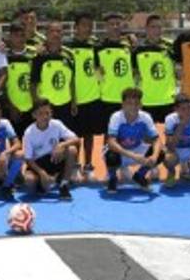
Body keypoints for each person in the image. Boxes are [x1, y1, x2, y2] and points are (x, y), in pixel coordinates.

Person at [104, 87, 162, 193]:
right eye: (129, 103)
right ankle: (112, 179)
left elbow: (157, 140)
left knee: (161, 152)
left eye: (136, 103)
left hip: (137, 148)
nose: (133, 107)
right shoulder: (116, 117)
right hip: (121, 151)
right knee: (110, 155)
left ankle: (139, 176)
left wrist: (154, 157)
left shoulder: (146, 117)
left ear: (141, 105)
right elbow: (111, 142)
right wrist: (133, 156)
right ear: (123, 105)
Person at [21, 98, 78, 200]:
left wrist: (62, 145)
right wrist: (41, 173)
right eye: (41, 113)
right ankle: (44, 183)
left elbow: (76, 139)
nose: (45, 116)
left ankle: (63, 184)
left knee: (72, 149)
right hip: (38, 163)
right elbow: (28, 159)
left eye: (48, 113)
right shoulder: (29, 132)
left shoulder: (57, 124)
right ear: (34, 115)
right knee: (29, 181)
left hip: (54, 158)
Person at [67, 13, 102, 177]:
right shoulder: (67, 48)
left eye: (90, 25)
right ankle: (74, 165)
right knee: (74, 135)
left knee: (89, 134)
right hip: (74, 99)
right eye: (84, 25)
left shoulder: (94, 47)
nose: (87, 29)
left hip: (92, 97)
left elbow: (97, 71)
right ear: (76, 27)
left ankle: (88, 164)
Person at [95, 12, 135, 152]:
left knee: (126, 133)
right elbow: (96, 71)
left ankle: (125, 164)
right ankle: (108, 166)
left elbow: (135, 68)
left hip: (127, 98)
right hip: (107, 97)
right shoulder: (99, 47)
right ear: (106, 26)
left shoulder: (129, 45)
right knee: (109, 134)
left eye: (118, 24)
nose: (115, 27)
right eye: (112, 24)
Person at [30, 23, 76, 141]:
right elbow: (33, 83)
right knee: (46, 140)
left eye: (59, 31)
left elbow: (71, 81)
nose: (55, 34)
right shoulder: (39, 56)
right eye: (52, 31)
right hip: (46, 107)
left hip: (65, 105)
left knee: (67, 140)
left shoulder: (69, 55)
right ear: (46, 34)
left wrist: (74, 102)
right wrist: (37, 106)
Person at [133, 14, 177, 124]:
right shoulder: (138, 50)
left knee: (171, 137)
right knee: (148, 138)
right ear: (146, 29)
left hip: (168, 100)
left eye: (159, 27)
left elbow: (180, 67)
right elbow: (134, 74)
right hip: (146, 100)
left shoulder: (170, 46)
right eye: (153, 27)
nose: (157, 30)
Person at [2, 23, 36, 140]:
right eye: (16, 35)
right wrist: (11, 106)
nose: (20, 39)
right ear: (10, 37)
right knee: (15, 146)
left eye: (22, 35)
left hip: (32, 107)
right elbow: (2, 85)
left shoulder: (35, 54)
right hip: (13, 108)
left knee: (33, 145)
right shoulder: (3, 56)